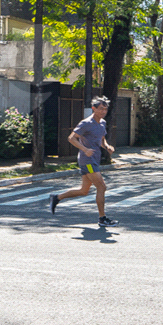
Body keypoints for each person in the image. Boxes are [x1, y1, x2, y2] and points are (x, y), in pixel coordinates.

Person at [49, 96, 118, 227]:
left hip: (94, 159)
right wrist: (85, 149)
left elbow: (101, 139)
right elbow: (71, 138)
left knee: (84, 191)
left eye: (105, 109)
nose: (103, 111)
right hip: (87, 160)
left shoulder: (102, 123)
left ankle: (57, 198)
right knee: (101, 187)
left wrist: (107, 146)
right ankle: (102, 218)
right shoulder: (86, 123)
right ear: (94, 108)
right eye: (101, 109)